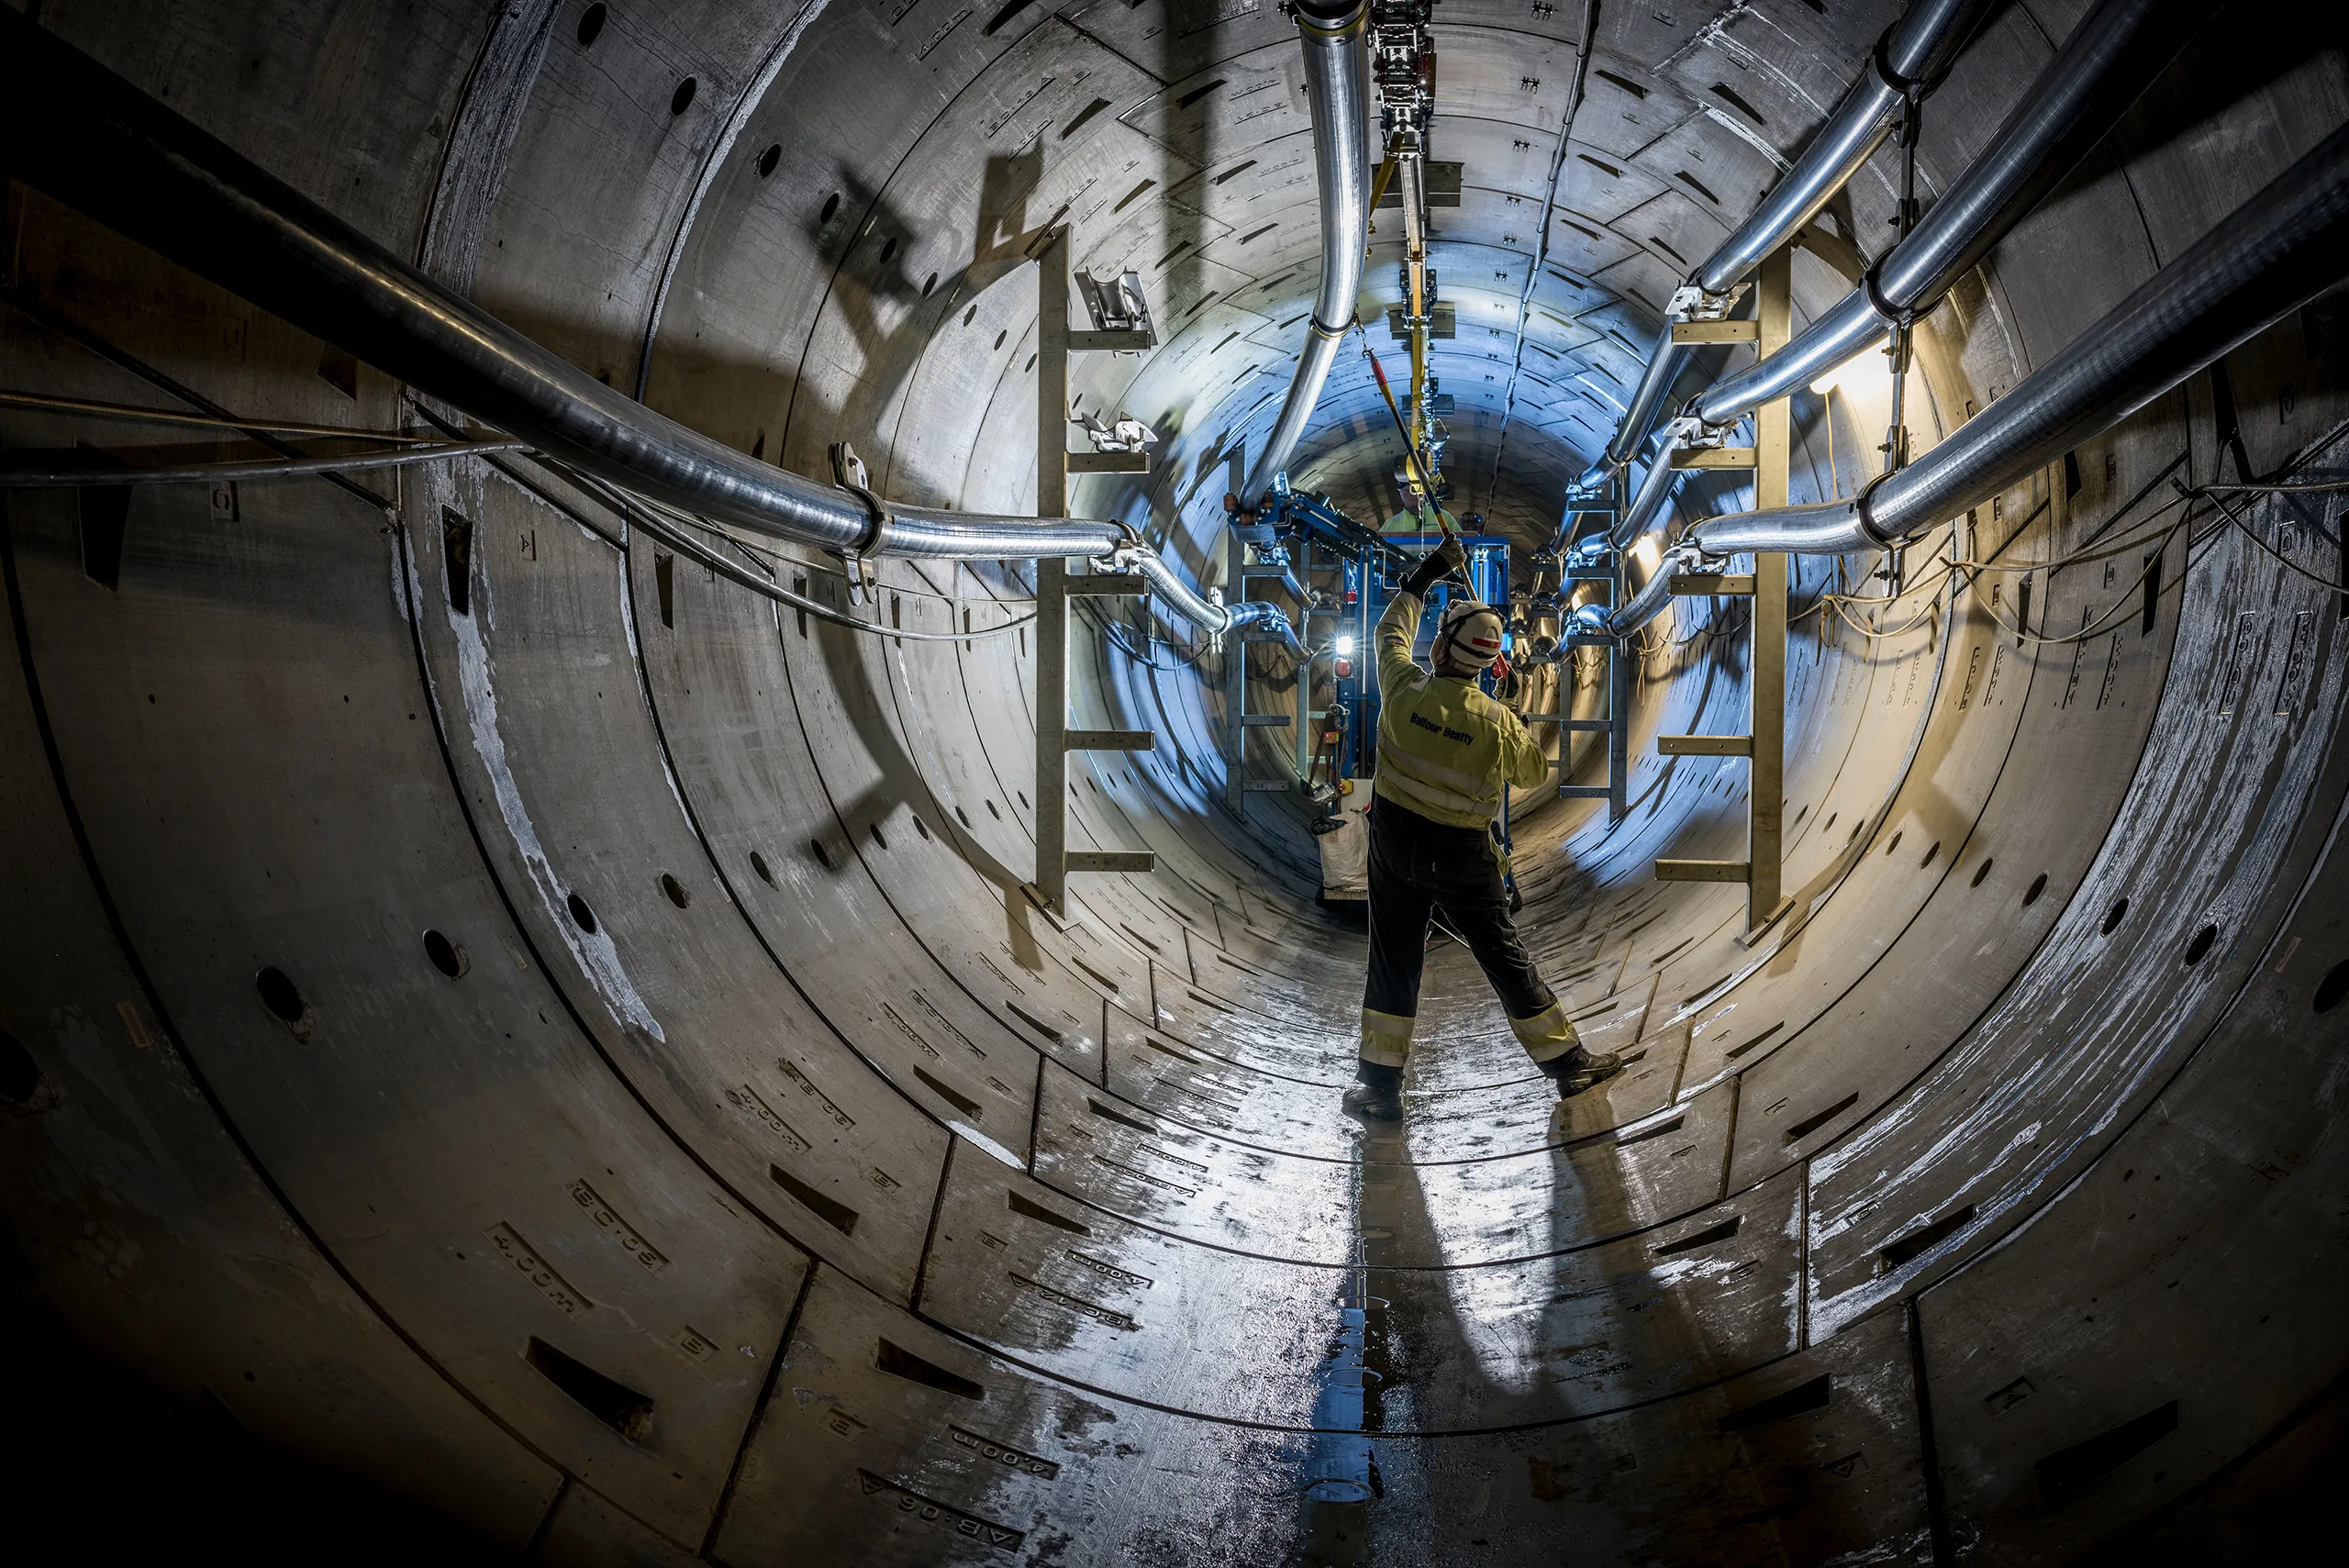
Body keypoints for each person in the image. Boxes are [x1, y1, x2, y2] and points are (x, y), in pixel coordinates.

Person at [1344, 536, 1623, 1122]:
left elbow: (1388, 633)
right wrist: (1515, 715)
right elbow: (1527, 770)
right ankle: (1568, 1067)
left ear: (1443, 649)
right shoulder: (1495, 723)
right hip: (1461, 854)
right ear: (1485, 662)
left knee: (1393, 957)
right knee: (1501, 953)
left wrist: (1428, 574)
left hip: (1393, 842)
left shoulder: (1402, 688)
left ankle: (1379, 1089)